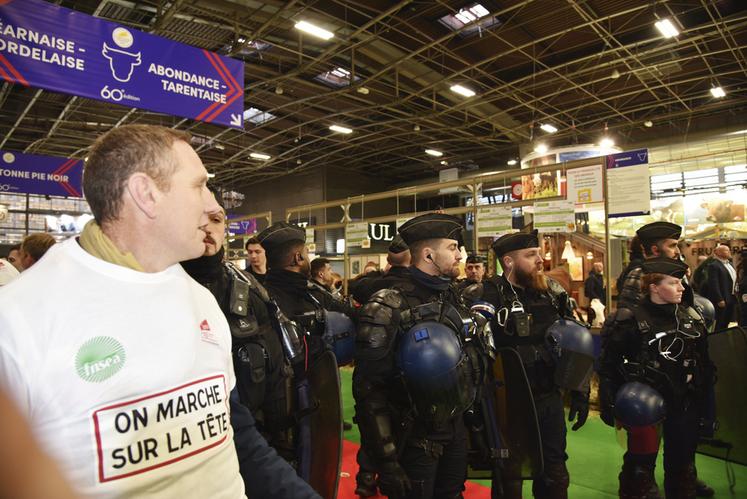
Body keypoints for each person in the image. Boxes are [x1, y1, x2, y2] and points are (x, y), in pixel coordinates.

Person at [0, 125, 318, 499]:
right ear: (146, 194)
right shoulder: (20, 319)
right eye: (198, 186)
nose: (212, 204)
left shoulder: (200, 298)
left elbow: (235, 436)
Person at [180, 191, 318, 499]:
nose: (208, 228)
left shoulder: (251, 293)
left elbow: (276, 378)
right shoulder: (158, 287)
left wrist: (283, 448)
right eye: (198, 218)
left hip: (253, 445)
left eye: (216, 219)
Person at [353, 213, 490, 499]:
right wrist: (387, 461)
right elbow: (369, 390)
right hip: (412, 438)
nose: (460, 255)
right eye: (452, 248)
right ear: (428, 254)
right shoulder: (388, 305)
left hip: (455, 432)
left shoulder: (454, 299)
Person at [482, 230, 590, 499]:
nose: (540, 260)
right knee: (509, 475)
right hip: (507, 403)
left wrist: (579, 388)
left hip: (547, 397)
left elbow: (575, 339)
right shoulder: (486, 296)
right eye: (531, 255)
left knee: (554, 473)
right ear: (508, 261)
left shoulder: (552, 293)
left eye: (539, 253)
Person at [597, 257, 715, 499]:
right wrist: (609, 403)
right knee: (639, 473)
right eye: (674, 283)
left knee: (684, 471)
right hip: (643, 408)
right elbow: (608, 366)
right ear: (654, 286)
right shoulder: (628, 321)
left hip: (685, 403)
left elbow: (705, 367)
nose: (682, 287)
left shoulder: (691, 318)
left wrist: (706, 410)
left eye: (681, 282)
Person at [617, 222, 682, 310]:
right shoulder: (640, 274)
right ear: (655, 250)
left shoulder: (675, 272)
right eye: (672, 246)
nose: (677, 251)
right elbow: (627, 314)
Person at [351, 235, 411, 305]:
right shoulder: (417, 286)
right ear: (412, 260)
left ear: (388, 260)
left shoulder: (366, 286)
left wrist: (381, 273)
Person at [704, 244, 737, 330]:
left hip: (732, 296)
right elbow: (713, 283)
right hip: (722, 298)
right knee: (720, 321)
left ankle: (724, 338)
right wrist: (719, 298)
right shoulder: (714, 265)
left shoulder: (730, 264)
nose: (729, 252)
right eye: (726, 250)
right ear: (718, 252)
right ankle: (717, 340)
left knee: (728, 320)